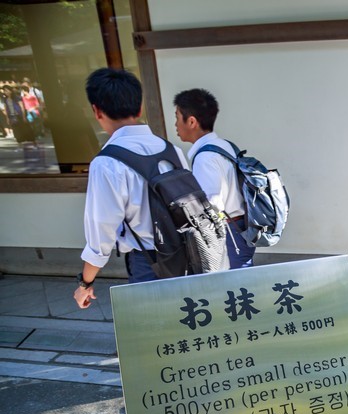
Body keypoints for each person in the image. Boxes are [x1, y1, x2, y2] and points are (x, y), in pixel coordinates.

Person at [74, 68, 190, 309]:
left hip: (147, 262)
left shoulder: (107, 163)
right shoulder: (171, 150)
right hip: (187, 254)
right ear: (139, 109)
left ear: (96, 110)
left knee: (154, 334)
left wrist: (85, 283)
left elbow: (101, 233)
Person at [173, 88, 253, 269]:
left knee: (232, 288)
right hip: (242, 225)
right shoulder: (225, 145)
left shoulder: (205, 158)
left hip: (228, 233)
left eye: (177, 117)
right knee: (243, 284)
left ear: (191, 121)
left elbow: (211, 205)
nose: (176, 124)